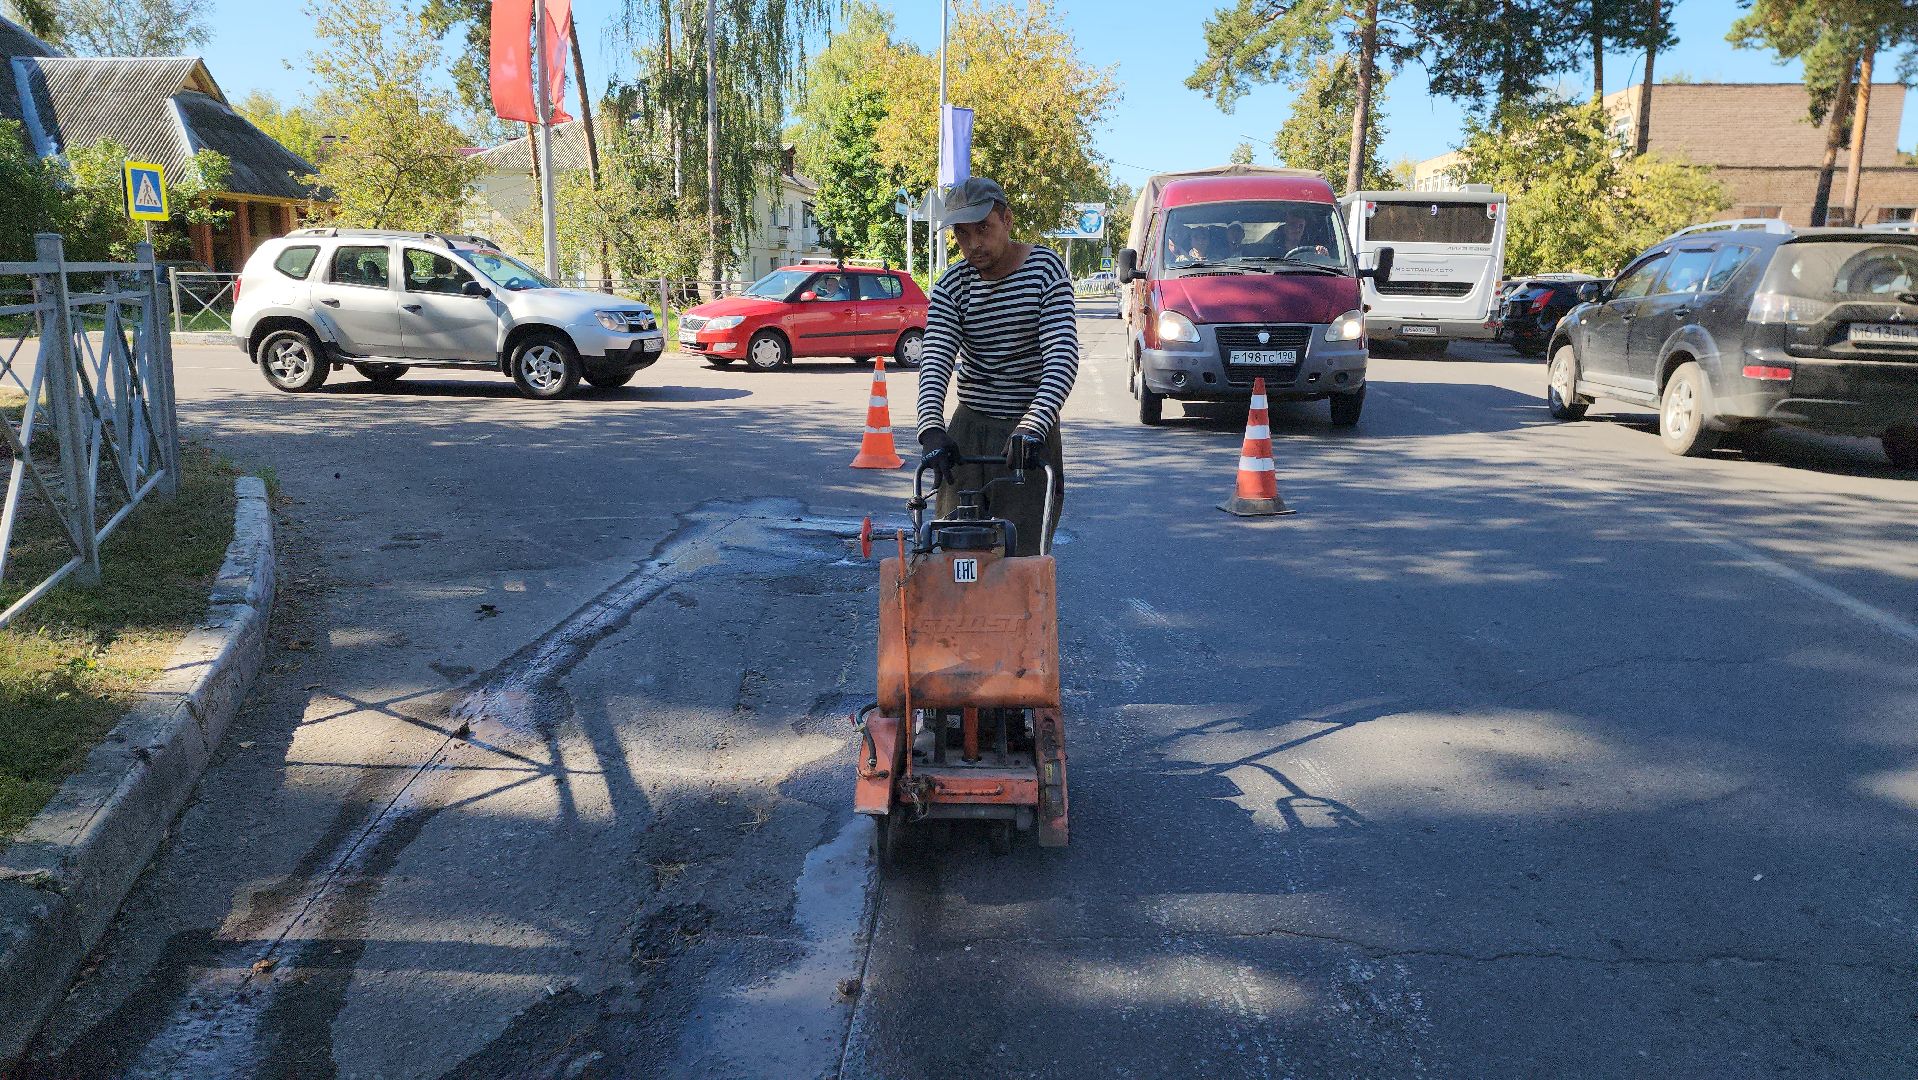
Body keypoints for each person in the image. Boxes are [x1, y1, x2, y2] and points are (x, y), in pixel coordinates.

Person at [917, 176, 1079, 557]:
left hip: (1028, 431)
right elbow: (936, 357)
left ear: (1007, 220)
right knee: (955, 548)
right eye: (962, 233)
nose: (973, 244)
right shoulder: (952, 285)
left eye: (983, 229)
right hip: (968, 428)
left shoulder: (1044, 271)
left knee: (1020, 555)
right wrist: (931, 429)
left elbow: (1062, 356)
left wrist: (1034, 424)